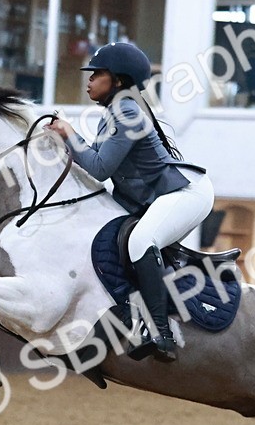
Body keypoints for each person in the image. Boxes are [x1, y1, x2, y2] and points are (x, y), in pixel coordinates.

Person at [46, 42, 214, 363]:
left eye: (97, 74)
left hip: (187, 193)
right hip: (161, 195)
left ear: (119, 82)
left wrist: (68, 133)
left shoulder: (127, 110)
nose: (90, 80)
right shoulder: (114, 112)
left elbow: (99, 167)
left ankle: (162, 335)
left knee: (140, 241)